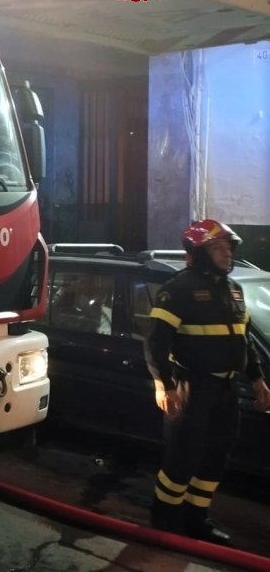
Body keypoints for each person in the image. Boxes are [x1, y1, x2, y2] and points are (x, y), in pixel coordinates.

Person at [144, 219, 270, 544]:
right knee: (183, 457)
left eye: (229, 247)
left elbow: (244, 340)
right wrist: (163, 385)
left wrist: (257, 379)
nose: (228, 253)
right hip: (192, 389)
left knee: (216, 456)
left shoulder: (234, 290)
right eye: (219, 247)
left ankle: (197, 518)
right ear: (200, 252)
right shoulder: (178, 290)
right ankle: (164, 519)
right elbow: (155, 341)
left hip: (226, 390)